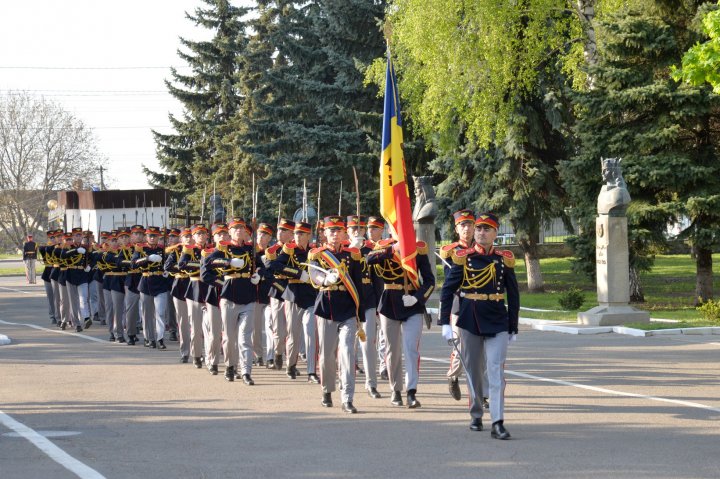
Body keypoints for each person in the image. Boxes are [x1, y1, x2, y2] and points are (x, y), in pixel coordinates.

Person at [439, 212, 519, 439]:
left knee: (495, 372)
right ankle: (476, 414)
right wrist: (444, 322)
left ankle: (498, 422)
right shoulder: (463, 257)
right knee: (473, 371)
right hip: (469, 319)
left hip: (497, 319)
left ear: (495, 233)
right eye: (479, 229)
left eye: (487, 229)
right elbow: (447, 290)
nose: (482, 232)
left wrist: (513, 325)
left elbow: (513, 295)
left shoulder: (504, 258)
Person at [366, 235, 435, 409]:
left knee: (411, 349)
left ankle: (411, 391)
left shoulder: (418, 248)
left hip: (411, 302)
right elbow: (369, 259)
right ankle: (395, 389)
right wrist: (393, 249)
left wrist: (418, 298)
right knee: (392, 350)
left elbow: (429, 281)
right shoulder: (382, 248)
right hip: (389, 302)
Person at [308, 215, 365, 413]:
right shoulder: (317, 254)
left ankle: (347, 398)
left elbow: (358, 285)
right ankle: (327, 390)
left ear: (344, 233)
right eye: (331, 230)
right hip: (327, 306)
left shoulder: (353, 255)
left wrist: (361, 315)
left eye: (338, 230)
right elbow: (313, 276)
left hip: (348, 308)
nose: (335, 234)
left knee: (348, 353)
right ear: (325, 233)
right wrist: (325, 279)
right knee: (326, 355)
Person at [201, 217, 264, 384]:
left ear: (245, 231)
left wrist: (259, 275)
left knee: (245, 337)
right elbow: (206, 270)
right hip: (229, 296)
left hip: (248, 295)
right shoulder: (223, 249)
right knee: (229, 337)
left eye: (241, 228)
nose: (238, 231)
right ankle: (230, 366)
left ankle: (246, 371)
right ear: (229, 232)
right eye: (235, 228)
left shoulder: (252, 249)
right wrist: (228, 264)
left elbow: (263, 267)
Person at [439, 209, 488, 407]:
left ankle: (482, 395)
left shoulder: (482, 249)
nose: (467, 228)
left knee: (481, 351)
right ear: (456, 228)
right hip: (459, 302)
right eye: (463, 225)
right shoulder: (449, 251)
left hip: (480, 303)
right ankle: (453, 376)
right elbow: (449, 282)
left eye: (470, 224)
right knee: (461, 348)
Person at [268, 221, 319, 382]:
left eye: (301, 234)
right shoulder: (289, 250)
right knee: (293, 334)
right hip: (294, 295)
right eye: (296, 233)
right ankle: (291, 365)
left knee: (311, 333)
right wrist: (297, 273)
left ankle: (312, 370)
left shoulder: (315, 250)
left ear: (308, 236)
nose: (297, 236)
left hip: (311, 295)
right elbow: (275, 265)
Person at [347, 215, 381, 399]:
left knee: (368, 345)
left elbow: (377, 279)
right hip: (348, 302)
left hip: (368, 301)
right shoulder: (343, 251)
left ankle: (371, 383)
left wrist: (378, 305)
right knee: (347, 347)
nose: (356, 232)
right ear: (347, 231)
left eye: (359, 229)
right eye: (352, 229)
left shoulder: (371, 250)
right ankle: (347, 385)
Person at [264, 218, 295, 369]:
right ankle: (277, 353)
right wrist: (281, 289)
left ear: (291, 233)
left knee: (293, 328)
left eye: (284, 230)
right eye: (279, 230)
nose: (280, 233)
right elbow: (269, 274)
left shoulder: (297, 249)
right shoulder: (272, 251)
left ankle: (291, 361)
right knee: (278, 328)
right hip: (277, 289)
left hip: (294, 290)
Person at [165, 227, 193, 362]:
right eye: (185, 237)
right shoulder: (176, 251)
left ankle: (197, 350)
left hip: (195, 284)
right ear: (181, 239)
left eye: (190, 236)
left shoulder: (199, 250)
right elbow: (168, 266)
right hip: (181, 284)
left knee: (196, 321)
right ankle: (185, 352)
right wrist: (183, 267)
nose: (188, 239)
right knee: (183, 321)